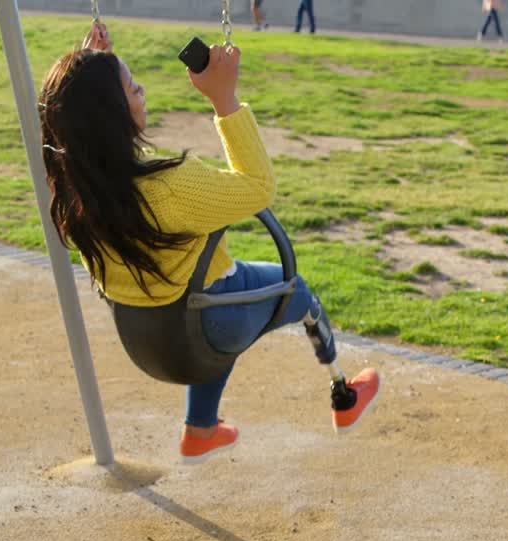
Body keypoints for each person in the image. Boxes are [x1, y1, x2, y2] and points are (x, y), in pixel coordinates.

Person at [40, 22, 380, 463]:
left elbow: (70, 131)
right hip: (205, 331)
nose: (141, 88)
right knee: (297, 291)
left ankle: (200, 430)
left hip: (146, 342)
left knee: (213, 294)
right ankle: (344, 395)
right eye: (131, 86)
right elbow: (258, 187)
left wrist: (89, 71)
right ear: (109, 112)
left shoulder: (75, 194)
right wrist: (224, 100)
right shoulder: (173, 189)